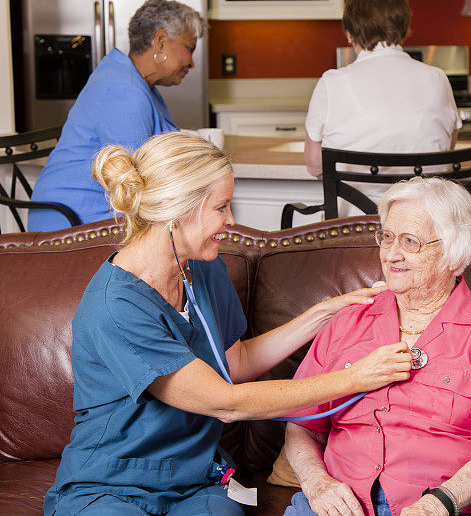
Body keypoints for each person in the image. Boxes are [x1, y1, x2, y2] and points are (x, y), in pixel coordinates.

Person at [43, 131, 413, 516]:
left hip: (193, 481)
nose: (231, 221)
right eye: (221, 207)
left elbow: (234, 365)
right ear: (176, 211)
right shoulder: (116, 306)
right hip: (112, 485)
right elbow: (226, 403)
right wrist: (356, 377)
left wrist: (323, 313)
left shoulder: (203, 266)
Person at [284, 177, 471, 516]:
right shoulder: (348, 321)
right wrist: (318, 484)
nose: (391, 254)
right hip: (337, 504)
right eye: (387, 237)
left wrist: (440, 502)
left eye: (410, 242)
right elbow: (301, 425)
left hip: (439, 505)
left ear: (453, 252)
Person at [29, 0, 204, 232]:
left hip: (91, 216)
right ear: (161, 42)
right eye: (189, 49)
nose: (191, 63)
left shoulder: (136, 83)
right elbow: (138, 182)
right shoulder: (125, 91)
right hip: (72, 226)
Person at [303, 0, 462, 179]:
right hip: (423, 210)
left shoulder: (331, 83)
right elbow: (445, 154)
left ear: (349, 33)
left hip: (358, 212)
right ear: (404, 26)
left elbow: (315, 166)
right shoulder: (437, 78)